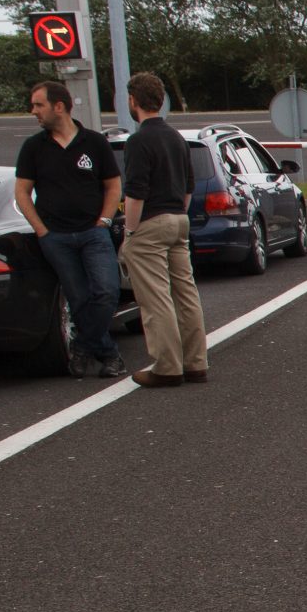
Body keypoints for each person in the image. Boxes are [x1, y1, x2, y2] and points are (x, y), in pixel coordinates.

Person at [13, 81, 125, 379]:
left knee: (106, 291)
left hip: (94, 233)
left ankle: (83, 347)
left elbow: (113, 185)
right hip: (56, 238)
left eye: (38, 105)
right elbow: (22, 192)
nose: (33, 111)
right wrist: (40, 230)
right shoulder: (34, 147)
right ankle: (110, 354)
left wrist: (104, 219)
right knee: (78, 298)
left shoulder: (94, 143)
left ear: (58, 106)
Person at [117, 72, 208, 388]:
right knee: (186, 293)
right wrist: (178, 213)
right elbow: (189, 186)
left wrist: (130, 233)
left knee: (155, 299)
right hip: (178, 220)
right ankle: (195, 362)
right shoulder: (176, 138)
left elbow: (136, 192)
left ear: (133, 101)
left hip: (151, 223)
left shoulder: (139, 141)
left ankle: (167, 366)